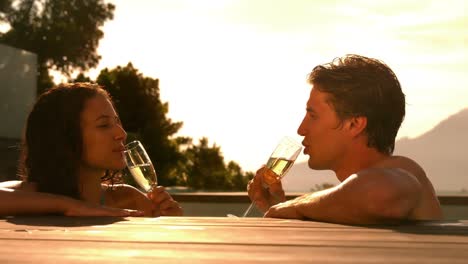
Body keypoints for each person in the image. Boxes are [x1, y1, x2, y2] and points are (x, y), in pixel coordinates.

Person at [247, 54, 443, 224]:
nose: (301, 129)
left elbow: (379, 195)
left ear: (354, 125)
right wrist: (281, 209)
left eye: (313, 116)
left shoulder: (402, 170)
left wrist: (296, 206)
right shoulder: (353, 201)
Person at [0, 82, 182, 217]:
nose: (122, 134)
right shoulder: (35, 193)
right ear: (65, 138)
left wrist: (172, 221)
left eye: (117, 122)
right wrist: (69, 205)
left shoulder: (128, 198)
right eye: (104, 125)